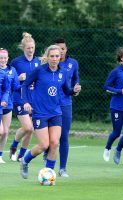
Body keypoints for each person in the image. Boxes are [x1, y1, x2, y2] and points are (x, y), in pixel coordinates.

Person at [20, 45, 81, 179]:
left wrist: (74, 91)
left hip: (56, 112)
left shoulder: (63, 72)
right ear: (47, 57)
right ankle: (25, 160)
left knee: (54, 143)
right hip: (40, 113)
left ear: (60, 57)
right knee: (44, 145)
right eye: (52, 56)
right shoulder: (39, 71)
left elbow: (66, 91)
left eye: (57, 56)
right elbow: (24, 85)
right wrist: (26, 102)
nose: (54, 59)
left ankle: (48, 174)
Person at [43, 38, 80, 177]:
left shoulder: (73, 64)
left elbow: (76, 80)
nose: (60, 52)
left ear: (66, 50)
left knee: (63, 136)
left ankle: (62, 168)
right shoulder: (46, 67)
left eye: (62, 49)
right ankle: (47, 155)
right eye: (57, 49)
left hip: (65, 104)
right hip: (48, 105)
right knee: (48, 139)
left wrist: (76, 88)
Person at [9, 32, 41, 161]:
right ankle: (14, 146)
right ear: (23, 48)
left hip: (33, 99)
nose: (31, 50)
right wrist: (18, 78)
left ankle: (21, 155)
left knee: (31, 129)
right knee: (28, 127)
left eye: (32, 48)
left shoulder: (38, 62)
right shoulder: (16, 62)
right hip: (20, 97)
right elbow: (9, 79)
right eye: (28, 48)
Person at [102, 47, 123, 168]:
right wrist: (120, 91)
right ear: (121, 58)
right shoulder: (116, 72)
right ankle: (107, 148)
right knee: (116, 133)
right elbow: (106, 87)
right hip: (117, 107)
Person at [0, 48, 20, 163]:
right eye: (0, 58)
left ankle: (0, 155)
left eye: (4, 58)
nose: (2, 60)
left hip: (8, 104)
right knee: (1, 131)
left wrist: (24, 83)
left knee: (5, 132)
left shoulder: (12, 70)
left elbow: (16, 87)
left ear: (8, 59)